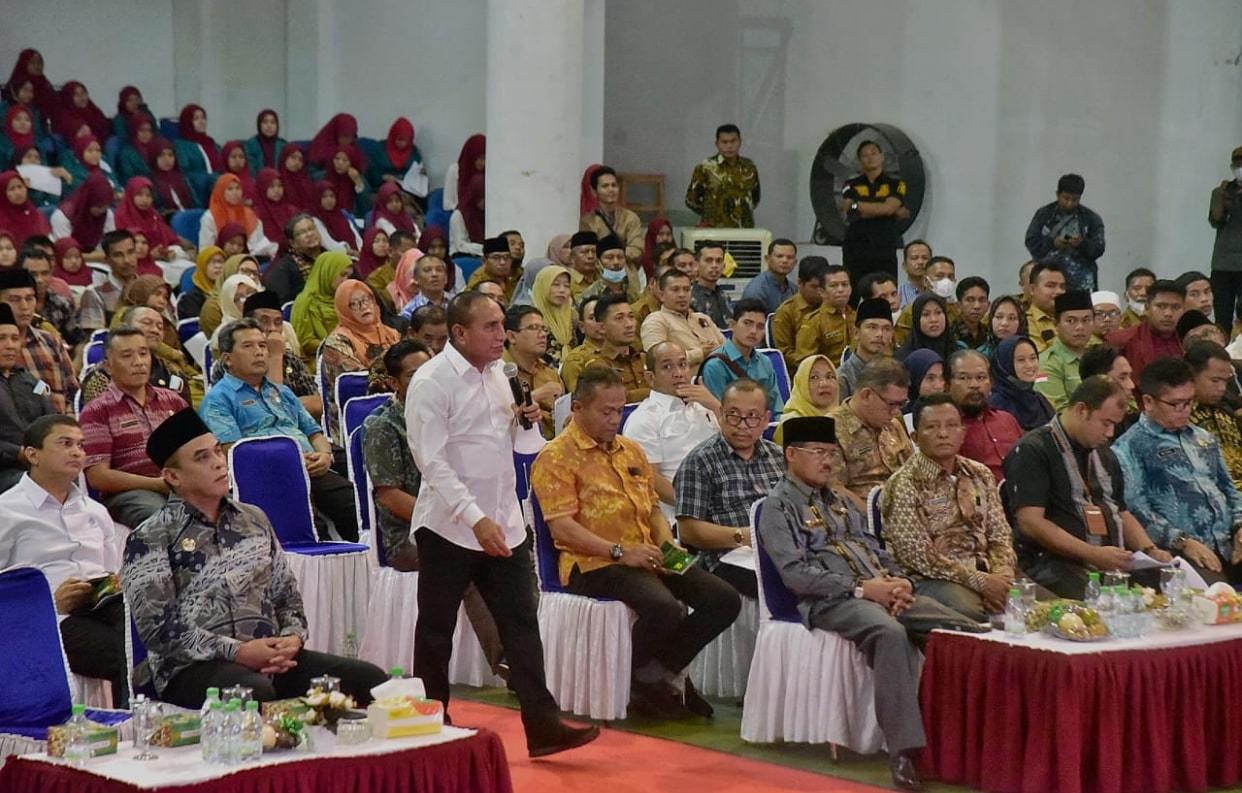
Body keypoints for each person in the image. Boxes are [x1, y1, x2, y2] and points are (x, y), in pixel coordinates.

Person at [406, 291, 599, 754]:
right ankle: (432, 722)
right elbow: (431, 462)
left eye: (502, 325)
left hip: (505, 520)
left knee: (522, 624)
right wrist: (475, 519)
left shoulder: (501, 374)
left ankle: (543, 726)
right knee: (436, 628)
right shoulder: (431, 381)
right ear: (459, 333)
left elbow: (521, 449)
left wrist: (526, 422)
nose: (502, 335)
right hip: (450, 525)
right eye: (491, 327)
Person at [756, 415, 985, 793]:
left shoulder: (841, 501)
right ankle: (904, 751)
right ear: (791, 455)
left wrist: (900, 582)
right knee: (890, 633)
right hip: (832, 601)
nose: (828, 461)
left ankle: (962, 740)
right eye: (818, 453)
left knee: (963, 629)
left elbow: (876, 549)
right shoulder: (777, 507)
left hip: (881, 590)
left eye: (832, 453)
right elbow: (796, 576)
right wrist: (864, 589)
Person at [122, 407, 386, 706]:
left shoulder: (253, 519)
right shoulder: (151, 537)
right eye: (202, 458)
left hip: (271, 658)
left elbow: (287, 596)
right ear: (173, 476)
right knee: (252, 692)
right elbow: (159, 631)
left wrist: (291, 639)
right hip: (192, 667)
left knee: (370, 681)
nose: (219, 463)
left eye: (217, 451)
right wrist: (239, 652)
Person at [533, 364, 741, 718]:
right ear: (578, 408)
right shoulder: (555, 457)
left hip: (647, 552)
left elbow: (654, 510)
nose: (615, 419)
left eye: (619, 410)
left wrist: (667, 544)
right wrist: (621, 552)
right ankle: (645, 681)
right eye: (606, 412)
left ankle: (657, 670)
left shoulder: (630, 450)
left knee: (723, 599)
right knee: (663, 607)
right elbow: (562, 529)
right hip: (595, 562)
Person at [361, 340, 506, 676]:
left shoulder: (450, 412)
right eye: (413, 374)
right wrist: (453, 520)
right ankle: (505, 659)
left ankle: (531, 656)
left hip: (460, 518)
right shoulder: (382, 426)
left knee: (511, 550)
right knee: (465, 564)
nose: (426, 379)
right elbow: (389, 495)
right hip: (410, 534)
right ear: (395, 383)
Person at [1002, 376, 1171, 599]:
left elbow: (1120, 512)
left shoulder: (1105, 453)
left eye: (1114, 424)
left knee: (1168, 588)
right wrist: (1093, 554)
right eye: (1106, 423)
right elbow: (1031, 523)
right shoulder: (1033, 450)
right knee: (1103, 600)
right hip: (1053, 562)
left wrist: (1150, 550)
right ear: (1082, 410)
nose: (1110, 433)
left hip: (1109, 561)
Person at [0, 414, 128, 706]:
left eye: (81, 445)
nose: (76, 452)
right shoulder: (7, 511)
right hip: (51, 618)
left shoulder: (95, 511)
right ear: (33, 455)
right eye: (65, 444)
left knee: (148, 633)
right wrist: (48, 604)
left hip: (101, 606)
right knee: (122, 653)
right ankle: (129, 726)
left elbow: (111, 569)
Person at [200, 319, 359, 542]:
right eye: (248, 346)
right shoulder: (218, 400)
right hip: (269, 476)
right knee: (313, 524)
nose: (259, 352)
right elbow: (233, 452)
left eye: (262, 345)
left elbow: (314, 432)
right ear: (227, 358)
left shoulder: (282, 392)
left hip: (311, 467)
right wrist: (290, 460)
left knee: (353, 504)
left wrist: (325, 455)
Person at [881, 393, 1016, 622]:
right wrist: (982, 583)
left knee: (1040, 606)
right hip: (932, 579)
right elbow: (916, 556)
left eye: (952, 425)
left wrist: (1002, 577)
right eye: (932, 427)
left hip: (988, 572)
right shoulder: (904, 483)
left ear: (963, 433)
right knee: (976, 615)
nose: (943, 433)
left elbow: (1000, 534)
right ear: (915, 437)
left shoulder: (980, 474)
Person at [1112, 358, 1242, 585]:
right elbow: (1136, 510)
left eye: (1189, 402)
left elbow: (1229, 489)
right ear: (1149, 401)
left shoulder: (1203, 437)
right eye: (1175, 404)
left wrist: (1240, 525)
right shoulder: (1129, 447)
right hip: (1179, 551)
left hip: (1229, 540)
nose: (1184, 410)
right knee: (1215, 593)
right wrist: (1182, 541)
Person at [675, 378, 784, 599]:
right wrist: (743, 536)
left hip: (781, 548)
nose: (742, 425)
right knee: (780, 580)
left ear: (766, 420)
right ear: (721, 414)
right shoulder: (699, 461)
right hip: (728, 557)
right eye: (733, 415)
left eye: (752, 417)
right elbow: (688, 530)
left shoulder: (779, 457)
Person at [80, 328, 187, 527]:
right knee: (165, 520)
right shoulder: (97, 411)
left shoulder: (173, 400)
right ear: (108, 366)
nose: (138, 362)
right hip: (131, 493)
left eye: (144, 353)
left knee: (230, 507)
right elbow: (98, 477)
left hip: (180, 484)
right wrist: (158, 484)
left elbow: (198, 449)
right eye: (127, 355)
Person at [622, 342, 721, 523]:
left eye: (683, 365)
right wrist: (697, 505)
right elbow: (649, 478)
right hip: (682, 514)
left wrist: (716, 406)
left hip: (725, 500)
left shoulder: (705, 406)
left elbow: (741, 442)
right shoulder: (644, 419)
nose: (678, 373)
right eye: (667, 367)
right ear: (650, 378)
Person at [320, 279, 400, 438]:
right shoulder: (336, 343)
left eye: (366, 300)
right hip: (357, 412)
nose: (364, 306)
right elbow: (357, 381)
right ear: (344, 309)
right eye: (354, 304)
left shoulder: (391, 334)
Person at [831, 357, 915, 506]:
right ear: (866, 395)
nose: (896, 412)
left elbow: (914, 474)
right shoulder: (832, 428)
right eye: (891, 404)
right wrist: (874, 516)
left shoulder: (894, 426)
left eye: (901, 404)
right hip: (863, 515)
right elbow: (834, 490)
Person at [0, 268, 76, 412]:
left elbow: (73, 393)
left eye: (29, 298)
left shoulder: (51, 342)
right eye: (14, 300)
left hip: (59, 420)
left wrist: (70, 414)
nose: (24, 306)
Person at [0, 302, 56, 490]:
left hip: (38, 464)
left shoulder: (30, 382)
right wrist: (17, 453)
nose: (10, 346)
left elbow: (52, 422)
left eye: (15, 338)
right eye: (1, 338)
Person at [946, 349, 1023, 481]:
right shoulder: (947, 428)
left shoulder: (1007, 419)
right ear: (947, 386)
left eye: (981, 378)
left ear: (991, 383)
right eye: (964, 378)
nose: (974, 385)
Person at [840, 140, 908, 286]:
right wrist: (884, 210)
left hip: (884, 245)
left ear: (882, 156)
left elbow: (888, 208)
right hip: (855, 246)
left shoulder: (896, 184)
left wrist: (857, 205)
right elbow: (848, 209)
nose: (870, 157)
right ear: (859, 160)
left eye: (874, 153)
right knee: (852, 291)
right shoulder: (850, 184)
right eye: (865, 155)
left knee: (885, 290)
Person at [1023, 173, 1105, 291]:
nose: (1070, 203)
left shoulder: (1091, 218)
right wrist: (1052, 243)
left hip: (1082, 282)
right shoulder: (1044, 214)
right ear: (1058, 194)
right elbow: (1031, 241)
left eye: (1075, 199)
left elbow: (1099, 248)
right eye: (1066, 198)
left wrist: (1082, 243)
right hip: (1048, 278)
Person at [700, 298, 783, 411]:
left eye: (760, 326)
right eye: (747, 323)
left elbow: (777, 406)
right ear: (733, 325)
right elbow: (718, 412)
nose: (753, 331)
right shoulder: (715, 365)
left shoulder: (765, 362)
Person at [562, 294, 648, 401]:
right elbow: (617, 398)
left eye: (631, 317)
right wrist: (657, 392)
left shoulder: (644, 358)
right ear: (602, 327)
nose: (629, 324)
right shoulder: (596, 364)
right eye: (619, 318)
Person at [1106, 278, 1184, 390]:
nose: (1168, 313)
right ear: (1147, 307)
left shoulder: (1187, 340)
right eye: (1161, 306)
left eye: (1176, 307)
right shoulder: (1122, 341)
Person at [640, 268, 726, 368]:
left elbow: (727, 348)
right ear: (662, 295)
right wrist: (700, 353)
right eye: (675, 290)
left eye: (686, 289)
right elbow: (657, 360)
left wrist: (716, 351)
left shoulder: (703, 317)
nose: (682, 295)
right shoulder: (655, 321)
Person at [502, 305, 565, 438]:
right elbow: (499, 417)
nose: (542, 335)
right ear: (512, 336)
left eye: (544, 329)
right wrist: (535, 396)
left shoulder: (550, 373)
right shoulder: (498, 372)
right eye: (533, 328)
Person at [1187, 340, 1242, 487]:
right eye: (1215, 380)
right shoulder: (1179, 418)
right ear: (1191, 376)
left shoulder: (1226, 412)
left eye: (1225, 381)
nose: (1222, 388)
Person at [684, 123, 760, 228]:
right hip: (714, 229)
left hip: (744, 229)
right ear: (717, 144)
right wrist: (712, 213)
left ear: (740, 142)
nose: (729, 146)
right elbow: (691, 200)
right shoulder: (706, 168)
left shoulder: (749, 167)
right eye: (724, 142)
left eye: (733, 141)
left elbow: (755, 197)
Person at [1034, 290, 1097, 411]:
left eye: (1086, 320)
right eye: (1071, 321)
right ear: (1056, 324)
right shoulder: (1047, 363)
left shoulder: (1100, 355)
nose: (1080, 327)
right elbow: (1058, 413)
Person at [291, 251, 354, 359]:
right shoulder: (306, 301)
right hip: (318, 359)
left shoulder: (345, 298)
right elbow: (305, 342)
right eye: (342, 275)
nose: (346, 281)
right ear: (327, 272)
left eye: (348, 276)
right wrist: (335, 346)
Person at [772, 255, 829, 371]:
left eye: (822, 286)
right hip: (800, 370)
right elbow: (784, 353)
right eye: (814, 287)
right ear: (800, 283)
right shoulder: (785, 312)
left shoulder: (831, 306)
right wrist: (812, 364)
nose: (819, 291)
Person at [198, 174, 277, 258]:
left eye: (238, 188)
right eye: (230, 189)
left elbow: (259, 243)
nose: (235, 192)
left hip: (249, 259)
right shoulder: (210, 217)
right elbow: (205, 250)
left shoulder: (250, 215)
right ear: (220, 191)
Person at [579, 165, 643, 266]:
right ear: (594, 191)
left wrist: (610, 255)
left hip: (626, 271)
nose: (611, 189)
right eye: (605, 186)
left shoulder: (630, 218)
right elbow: (589, 251)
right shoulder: (588, 221)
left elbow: (637, 250)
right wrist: (619, 253)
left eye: (614, 185)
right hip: (599, 271)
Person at [989, 335, 1056, 431]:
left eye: (1033, 358)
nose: (1029, 365)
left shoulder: (1039, 400)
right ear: (1005, 364)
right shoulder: (996, 405)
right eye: (1021, 360)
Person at [78, 230, 139, 332]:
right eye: (118, 255)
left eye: (131, 252)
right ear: (107, 260)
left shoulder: (152, 288)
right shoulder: (94, 293)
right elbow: (95, 336)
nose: (127, 260)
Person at [21, 245, 81, 347]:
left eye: (45, 273)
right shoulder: (10, 307)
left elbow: (79, 340)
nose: (39, 280)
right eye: (33, 274)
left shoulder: (63, 305)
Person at [773, 354, 839, 445]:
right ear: (802, 384)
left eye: (830, 377)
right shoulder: (792, 424)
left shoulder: (844, 419)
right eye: (814, 377)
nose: (824, 384)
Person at [1209, 147, 1242, 328]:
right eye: (1238, 164)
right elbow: (1215, 220)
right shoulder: (1221, 191)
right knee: (1222, 317)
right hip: (1223, 264)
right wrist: (1224, 198)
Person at [1077, 345, 1139, 438]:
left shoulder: (1134, 421)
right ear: (1098, 381)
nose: (1132, 385)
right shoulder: (1085, 433)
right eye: (1122, 378)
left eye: (1129, 377)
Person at [839, 298, 895, 401]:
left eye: (886, 329)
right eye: (872, 327)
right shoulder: (843, 377)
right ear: (856, 332)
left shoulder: (895, 372)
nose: (880, 334)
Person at [531, 263, 574, 363]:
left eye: (566, 286)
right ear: (543, 286)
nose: (562, 290)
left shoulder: (574, 317)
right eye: (556, 284)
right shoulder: (530, 318)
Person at [741, 238, 798, 312]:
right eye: (779, 256)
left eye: (789, 257)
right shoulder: (756, 291)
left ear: (795, 262)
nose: (785, 261)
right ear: (767, 259)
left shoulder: (793, 289)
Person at [894, 293, 954, 362]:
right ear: (917, 319)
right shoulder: (904, 357)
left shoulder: (957, 349)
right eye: (926, 314)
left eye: (938, 312)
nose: (933, 319)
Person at [1024, 261, 1067, 353]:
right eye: (1050, 286)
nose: (1059, 291)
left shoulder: (1072, 319)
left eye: (1062, 287)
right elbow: (1042, 357)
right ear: (1032, 289)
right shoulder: (1025, 323)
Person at [465, 236, 523, 304]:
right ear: (484, 260)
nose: (503, 262)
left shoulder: (518, 275)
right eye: (496, 258)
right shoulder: (478, 281)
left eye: (506, 257)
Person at [691, 243, 731, 329]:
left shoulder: (725, 296)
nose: (714, 266)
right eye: (709, 260)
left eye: (719, 261)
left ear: (724, 266)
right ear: (696, 265)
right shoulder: (690, 298)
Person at [902, 349, 945, 421]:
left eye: (942, 377)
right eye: (930, 378)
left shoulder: (950, 411)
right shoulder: (897, 417)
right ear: (913, 379)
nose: (939, 386)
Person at [244, 109, 286, 175]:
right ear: (259, 125)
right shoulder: (250, 145)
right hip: (258, 180)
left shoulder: (283, 145)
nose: (269, 126)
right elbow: (251, 171)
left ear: (277, 125)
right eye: (265, 122)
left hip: (279, 180)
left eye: (272, 122)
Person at [952, 276, 990, 350]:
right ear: (958, 306)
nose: (977, 306)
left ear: (988, 305)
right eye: (970, 300)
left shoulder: (989, 333)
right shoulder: (949, 334)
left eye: (982, 300)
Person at [897, 240, 932, 309]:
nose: (920, 262)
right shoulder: (897, 293)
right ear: (904, 265)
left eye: (925, 258)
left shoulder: (939, 292)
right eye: (914, 258)